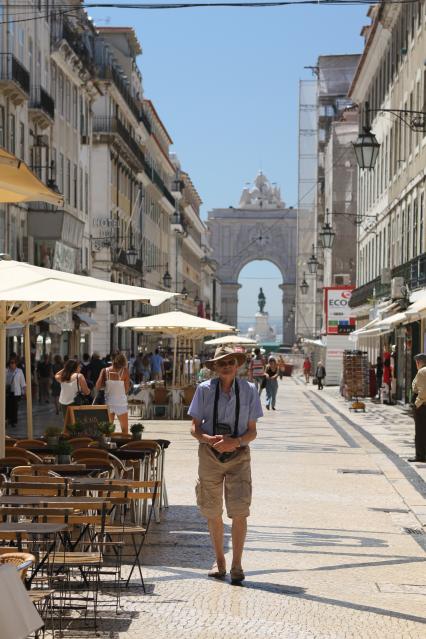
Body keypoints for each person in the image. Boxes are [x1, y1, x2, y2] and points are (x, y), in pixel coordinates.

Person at [189, 346, 263, 585]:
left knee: (240, 510)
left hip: (239, 456)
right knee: (212, 510)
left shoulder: (249, 390)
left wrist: (235, 441)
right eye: (221, 363)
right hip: (209, 455)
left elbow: (252, 432)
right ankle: (220, 561)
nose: (226, 366)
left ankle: (237, 564)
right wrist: (208, 439)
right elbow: (194, 427)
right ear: (215, 367)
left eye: (230, 362)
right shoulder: (204, 390)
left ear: (237, 364)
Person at [95, 351, 131, 434]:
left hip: (109, 402)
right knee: (124, 430)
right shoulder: (125, 371)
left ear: (112, 360)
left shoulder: (105, 371)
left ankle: (108, 445)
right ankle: (123, 446)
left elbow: (97, 386)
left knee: (108, 430)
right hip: (121, 402)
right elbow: (126, 389)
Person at [409, 353, 426, 462]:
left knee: (420, 431)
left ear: (418, 362)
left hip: (423, 406)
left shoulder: (422, 372)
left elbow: (423, 391)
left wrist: (417, 403)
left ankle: (420, 455)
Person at [6, 357, 26, 428]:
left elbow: (23, 382)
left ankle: (13, 421)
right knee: (8, 406)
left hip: (16, 392)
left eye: (13, 363)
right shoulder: (6, 371)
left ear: (16, 363)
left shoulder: (19, 371)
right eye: (11, 363)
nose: (12, 364)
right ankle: (8, 419)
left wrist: (24, 391)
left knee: (14, 407)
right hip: (8, 392)